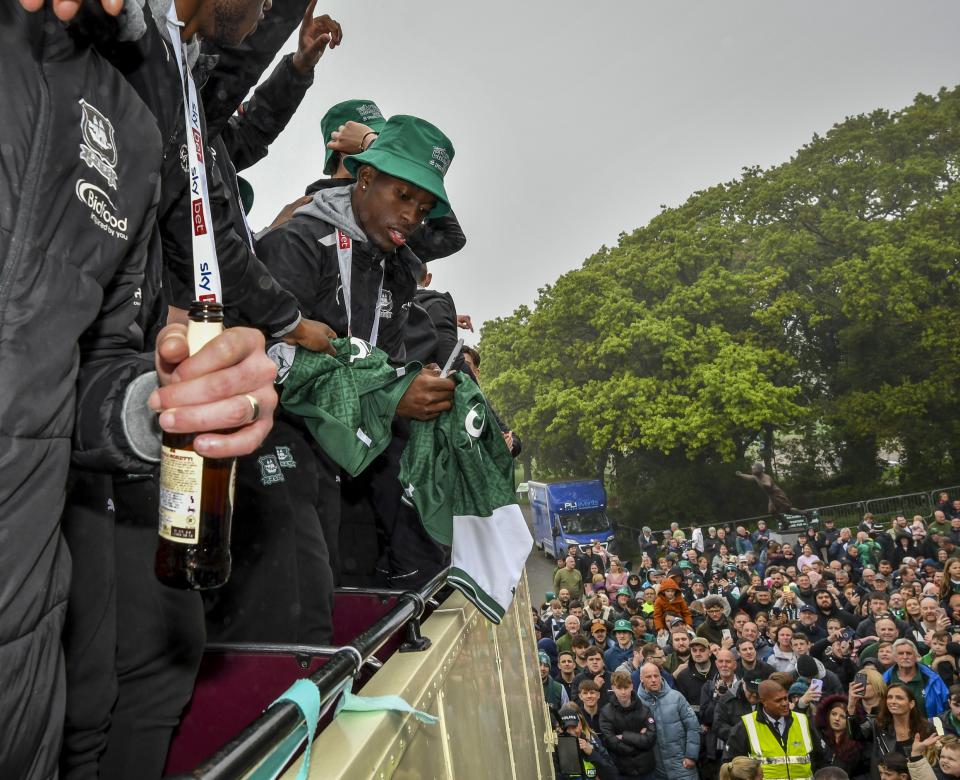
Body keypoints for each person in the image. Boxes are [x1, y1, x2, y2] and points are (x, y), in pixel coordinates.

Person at [723, 679, 823, 777]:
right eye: (778, 700)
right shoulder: (746, 726)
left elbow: (821, 759)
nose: (785, 703)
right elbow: (732, 768)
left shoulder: (803, 720)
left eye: (785, 698)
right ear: (763, 702)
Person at [636, 662, 700, 780]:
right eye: (649, 677)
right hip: (654, 769)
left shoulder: (677, 697)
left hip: (682, 765)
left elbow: (693, 727)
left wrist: (691, 756)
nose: (654, 680)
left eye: (656, 676)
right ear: (641, 678)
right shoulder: (636, 703)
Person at [599, 671, 658, 780]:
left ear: (631, 686)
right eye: (619, 688)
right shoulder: (606, 712)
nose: (623, 692)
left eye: (626, 687)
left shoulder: (644, 709)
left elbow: (651, 738)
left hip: (647, 770)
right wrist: (639, 745)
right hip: (623, 771)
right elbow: (610, 741)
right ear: (613, 688)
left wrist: (624, 736)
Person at [883, 639, 950, 717]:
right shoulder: (884, 681)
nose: (905, 657)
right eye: (901, 653)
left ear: (915, 656)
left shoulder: (933, 679)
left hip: (928, 727)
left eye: (909, 653)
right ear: (895, 658)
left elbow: (946, 706)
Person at [554, 703, 619, 780]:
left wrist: (592, 754)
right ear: (559, 729)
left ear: (580, 725)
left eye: (574, 727)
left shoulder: (591, 746)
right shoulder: (555, 752)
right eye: (566, 728)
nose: (571, 732)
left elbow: (613, 775)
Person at [815, 694, 868, 779]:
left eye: (843, 716)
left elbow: (864, 772)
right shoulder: (819, 736)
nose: (837, 719)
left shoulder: (858, 744)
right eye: (833, 714)